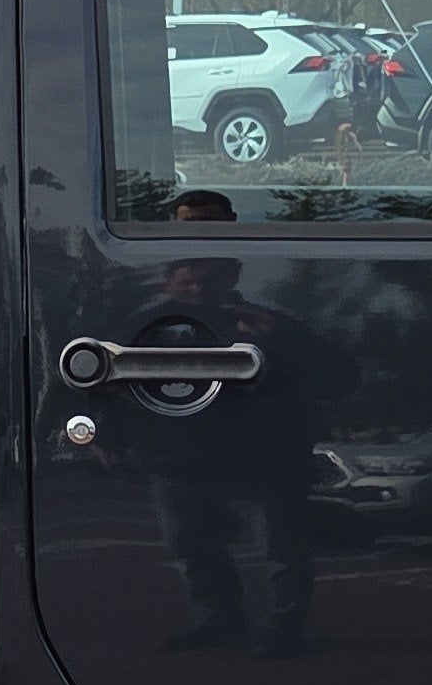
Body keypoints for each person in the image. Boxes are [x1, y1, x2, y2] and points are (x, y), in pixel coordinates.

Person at [139, 189, 356, 657]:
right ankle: (217, 620)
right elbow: (109, 384)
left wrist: (277, 343)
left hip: (262, 457)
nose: (199, 290)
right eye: (188, 281)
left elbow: (338, 377)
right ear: (169, 280)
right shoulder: (148, 327)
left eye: (209, 279)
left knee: (279, 548)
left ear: (232, 274)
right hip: (178, 457)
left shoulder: (266, 322)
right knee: (192, 546)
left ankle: (284, 629)